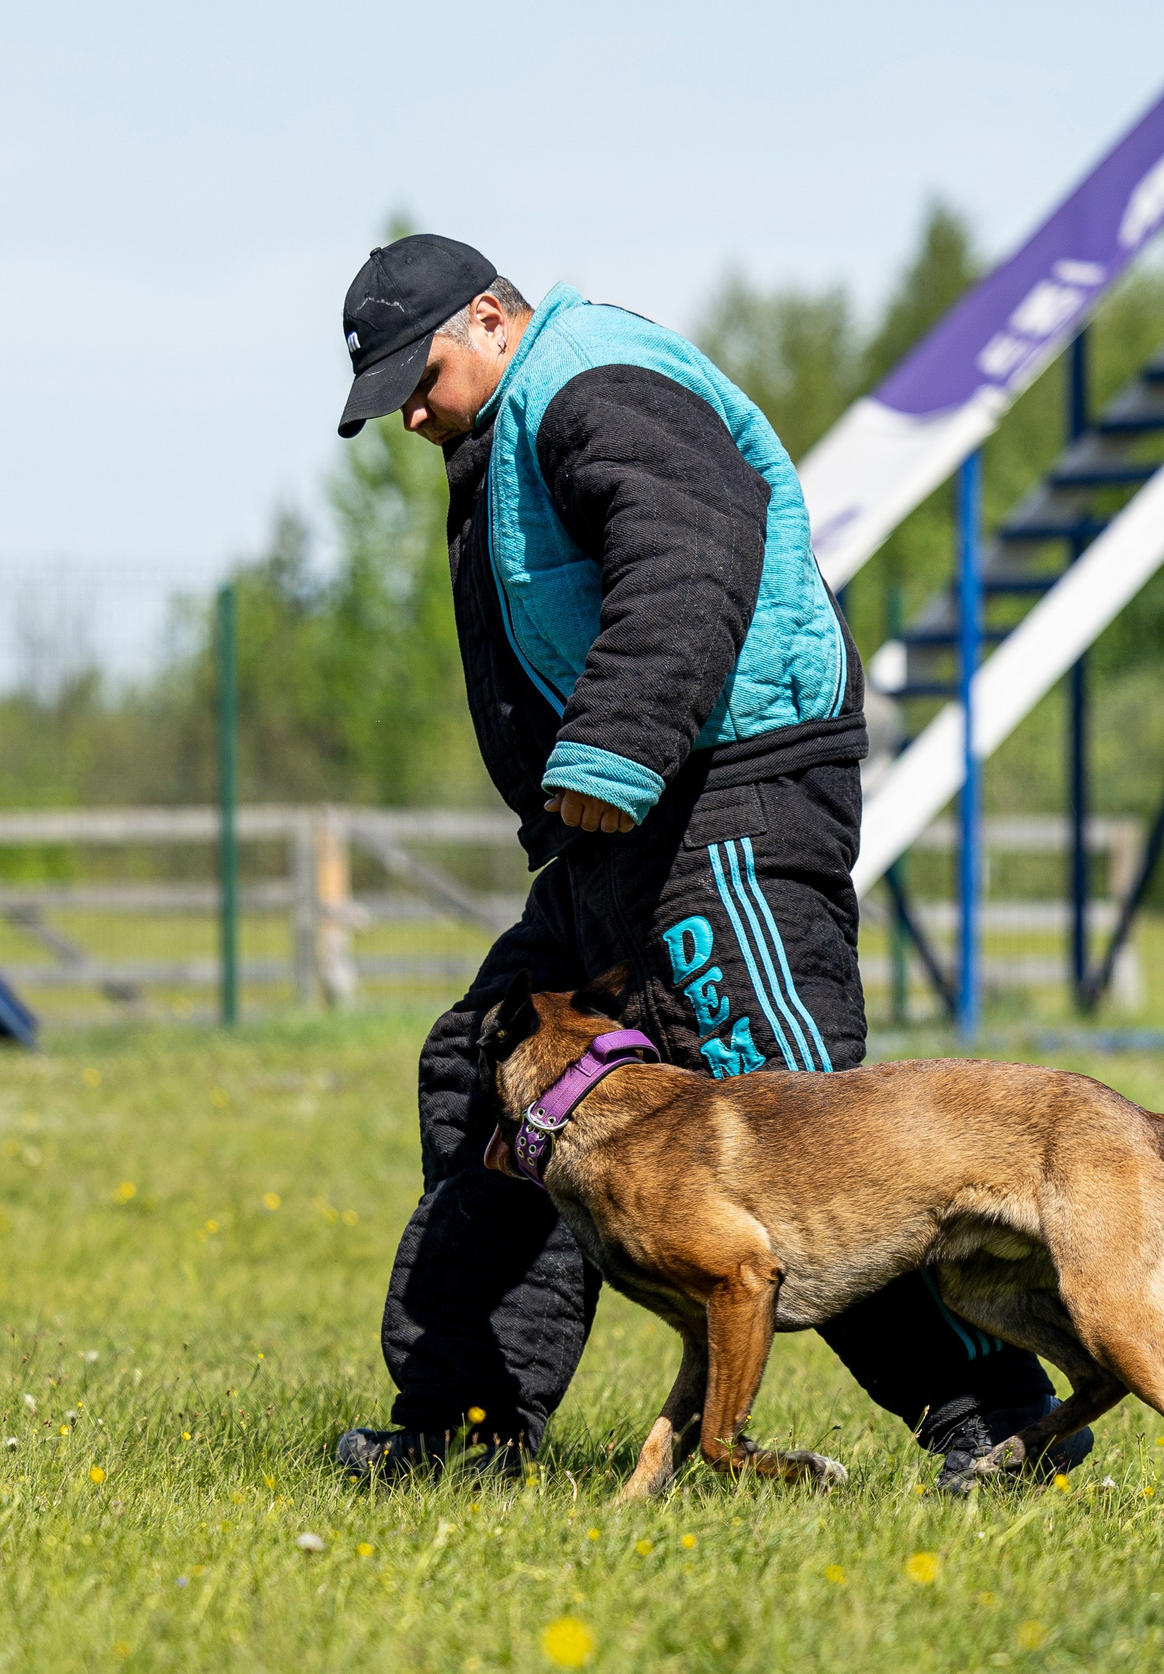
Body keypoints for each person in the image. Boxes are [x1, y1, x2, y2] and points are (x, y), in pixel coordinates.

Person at [328, 234, 1087, 1493]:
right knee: (494, 1078)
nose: (410, 413)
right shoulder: (515, 419)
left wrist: (613, 749)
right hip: (621, 824)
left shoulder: (591, 381)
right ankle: (465, 1432)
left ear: (490, 319)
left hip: (724, 792)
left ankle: (999, 1426)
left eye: (419, 377)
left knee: (802, 1128)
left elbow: (688, 554)